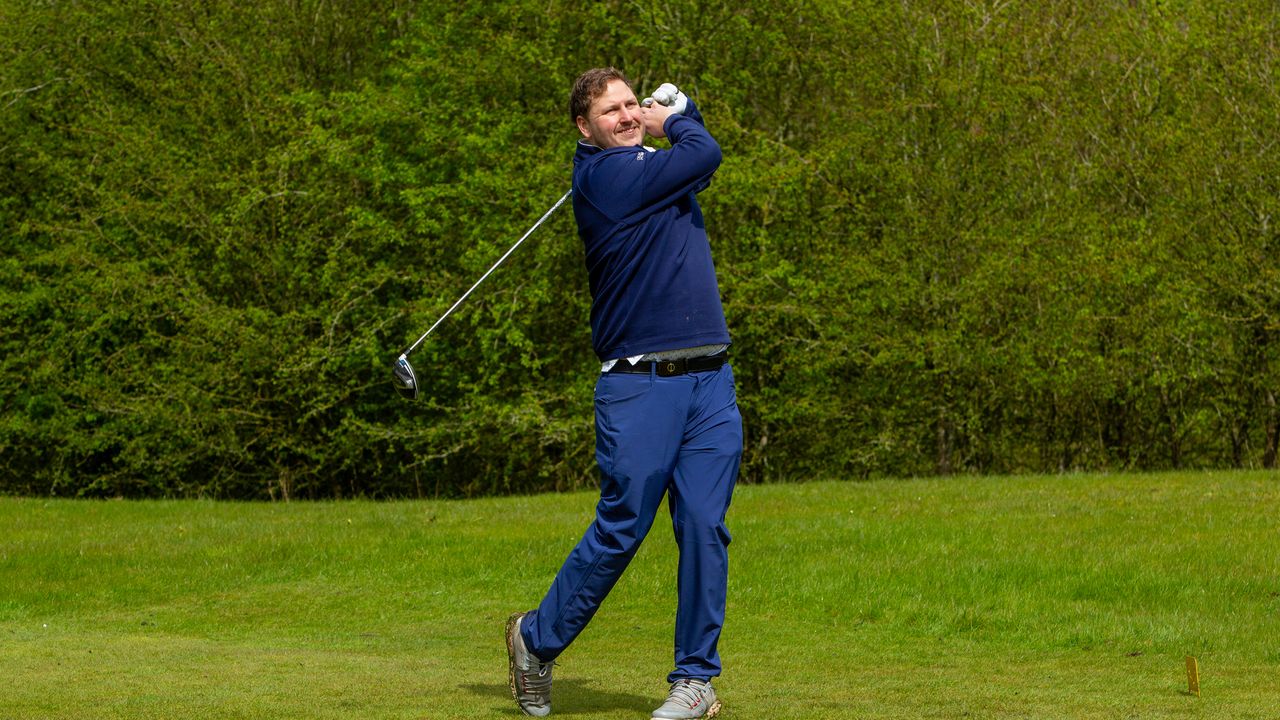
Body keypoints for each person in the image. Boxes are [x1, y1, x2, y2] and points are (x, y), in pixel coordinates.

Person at [505, 68, 742, 719]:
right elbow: (705, 152)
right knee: (622, 529)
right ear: (584, 127)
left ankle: (695, 680)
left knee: (702, 526)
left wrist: (675, 126)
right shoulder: (605, 180)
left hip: (710, 381)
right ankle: (535, 639)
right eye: (612, 111)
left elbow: (697, 165)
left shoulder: (653, 170)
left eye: (634, 104)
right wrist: (682, 116)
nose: (629, 116)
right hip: (639, 387)